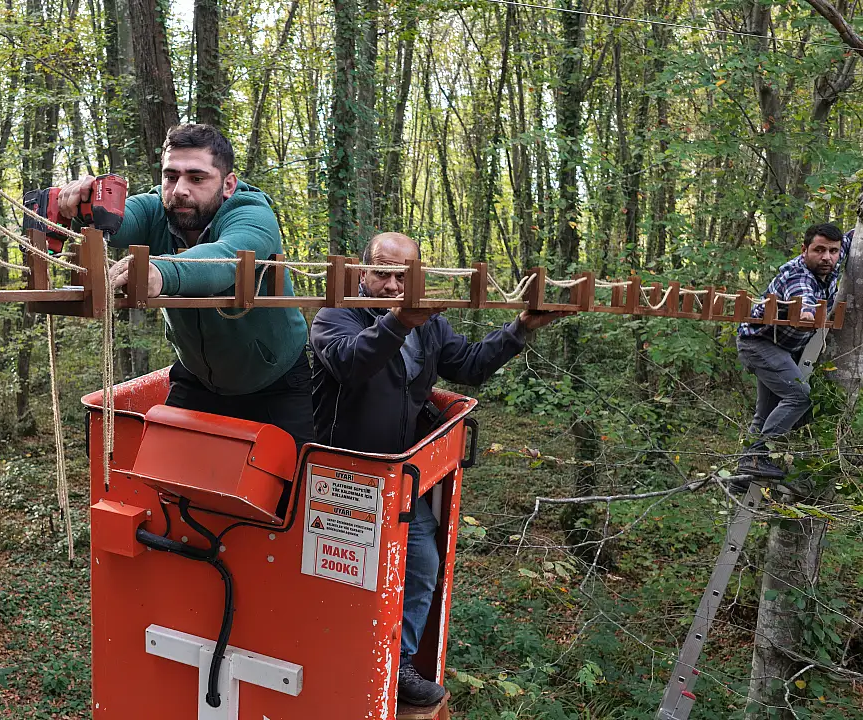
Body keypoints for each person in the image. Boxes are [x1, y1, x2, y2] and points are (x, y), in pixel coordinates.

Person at [310, 232, 567, 707]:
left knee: (422, 565)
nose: (391, 284)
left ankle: (398, 665)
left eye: (401, 276)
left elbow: (467, 366)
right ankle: (333, 664)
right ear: (362, 273)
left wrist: (521, 328)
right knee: (342, 576)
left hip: (402, 478)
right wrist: (396, 323)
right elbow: (349, 363)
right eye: (381, 273)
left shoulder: (426, 323)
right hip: (344, 477)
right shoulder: (336, 314)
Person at [54, 124, 313, 446]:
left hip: (275, 381)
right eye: (170, 176)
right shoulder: (157, 208)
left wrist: (160, 273)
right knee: (168, 480)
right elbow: (118, 221)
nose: (179, 189)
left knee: (290, 485)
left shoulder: (253, 215)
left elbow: (225, 259)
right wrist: (86, 204)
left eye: (197, 178)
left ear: (228, 184)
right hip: (197, 377)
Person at [735, 222, 851, 478]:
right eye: (819, 250)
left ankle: (743, 478)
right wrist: (808, 312)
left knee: (765, 412)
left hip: (780, 348)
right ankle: (757, 457)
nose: (827, 257)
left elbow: (853, 238)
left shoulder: (832, 260)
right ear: (804, 250)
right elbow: (804, 298)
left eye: (833, 251)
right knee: (800, 395)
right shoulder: (798, 277)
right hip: (759, 344)